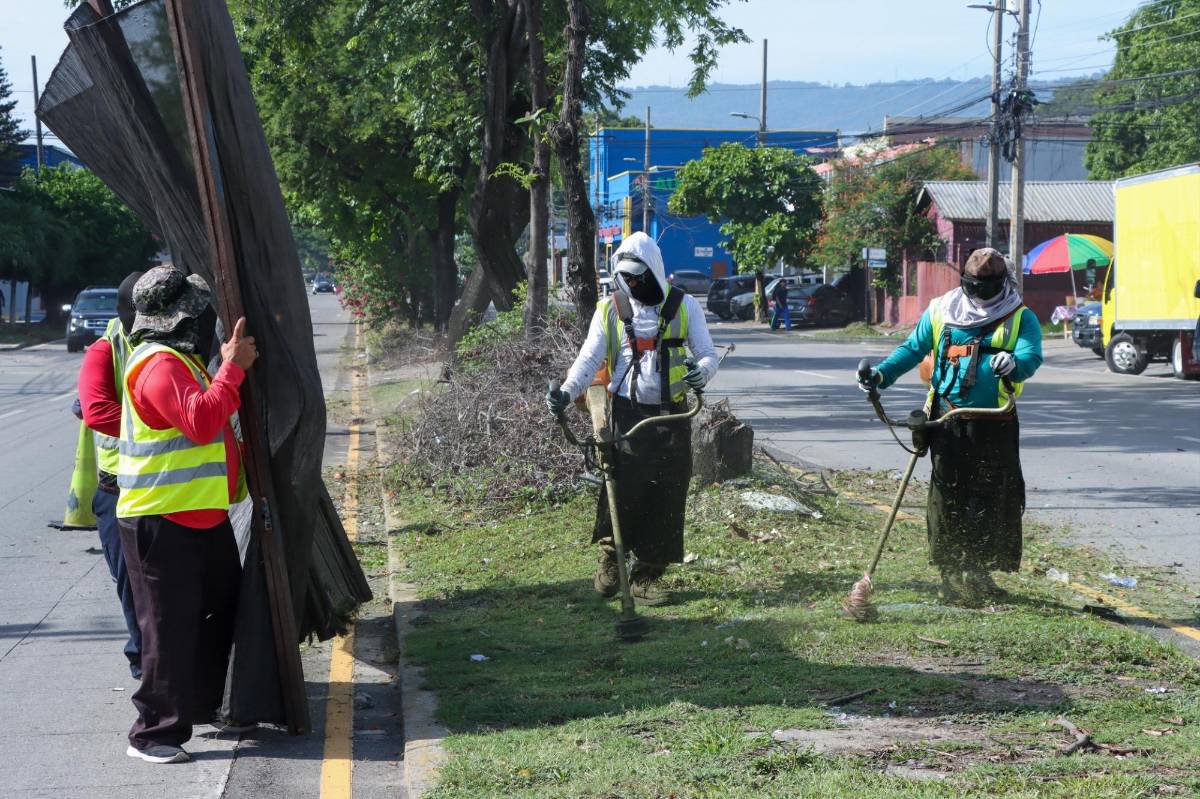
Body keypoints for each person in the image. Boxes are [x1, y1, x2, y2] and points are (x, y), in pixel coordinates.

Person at [116, 265, 256, 764]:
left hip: (199, 515)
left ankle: (200, 705)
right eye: (194, 313)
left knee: (220, 608)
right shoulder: (158, 365)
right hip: (162, 520)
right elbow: (200, 421)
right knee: (167, 628)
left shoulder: (180, 360)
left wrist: (225, 368)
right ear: (178, 319)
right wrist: (232, 368)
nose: (200, 321)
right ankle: (152, 733)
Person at [857, 248, 1042, 607]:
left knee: (991, 498)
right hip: (947, 419)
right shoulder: (942, 310)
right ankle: (951, 572)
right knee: (948, 498)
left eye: (986, 288)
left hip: (996, 422)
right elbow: (913, 350)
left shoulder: (1021, 316)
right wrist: (881, 375)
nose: (979, 295)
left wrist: (1014, 363)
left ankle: (980, 573)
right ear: (964, 281)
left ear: (1002, 283)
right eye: (972, 287)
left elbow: (1031, 355)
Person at [546, 232, 718, 605]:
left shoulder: (685, 306)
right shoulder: (609, 311)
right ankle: (612, 560)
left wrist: (702, 372)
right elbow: (588, 360)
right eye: (628, 278)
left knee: (667, 493)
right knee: (622, 488)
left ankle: (647, 575)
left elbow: (707, 353)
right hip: (627, 415)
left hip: (674, 415)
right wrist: (566, 391)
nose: (634, 285)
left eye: (639, 278)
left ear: (653, 270)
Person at [77, 270, 144, 679]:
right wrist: (163, 420)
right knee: (133, 586)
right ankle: (143, 664)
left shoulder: (176, 342)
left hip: (167, 488)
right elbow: (96, 411)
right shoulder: (106, 349)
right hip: (118, 489)